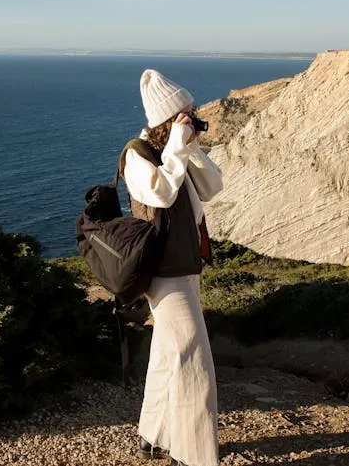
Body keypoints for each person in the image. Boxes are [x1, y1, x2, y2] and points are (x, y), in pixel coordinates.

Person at [122, 69, 224, 466]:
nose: (193, 118)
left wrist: (190, 148)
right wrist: (178, 147)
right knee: (195, 362)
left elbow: (213, 188)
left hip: (186, 267)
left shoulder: (175, 152)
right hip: (163, 274)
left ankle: (154, 436)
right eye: (186, 114)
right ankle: (194, 455)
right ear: (167, 119)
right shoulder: (137, 154)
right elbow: (160, 194)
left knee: (169, 355)